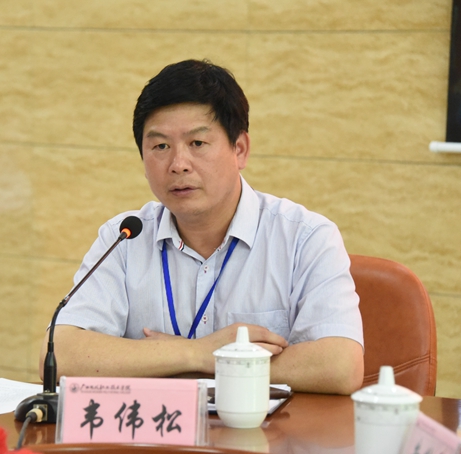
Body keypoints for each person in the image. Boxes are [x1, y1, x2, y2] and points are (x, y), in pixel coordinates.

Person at [40, 59, 364, 394]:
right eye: (160, 146)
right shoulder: (124, 237)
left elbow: (340, 366)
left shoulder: (305, 237)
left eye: (197, 143)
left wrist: (190, 362)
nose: (178, 164)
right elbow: (59, 356)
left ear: (240, 149)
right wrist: (197, 354)